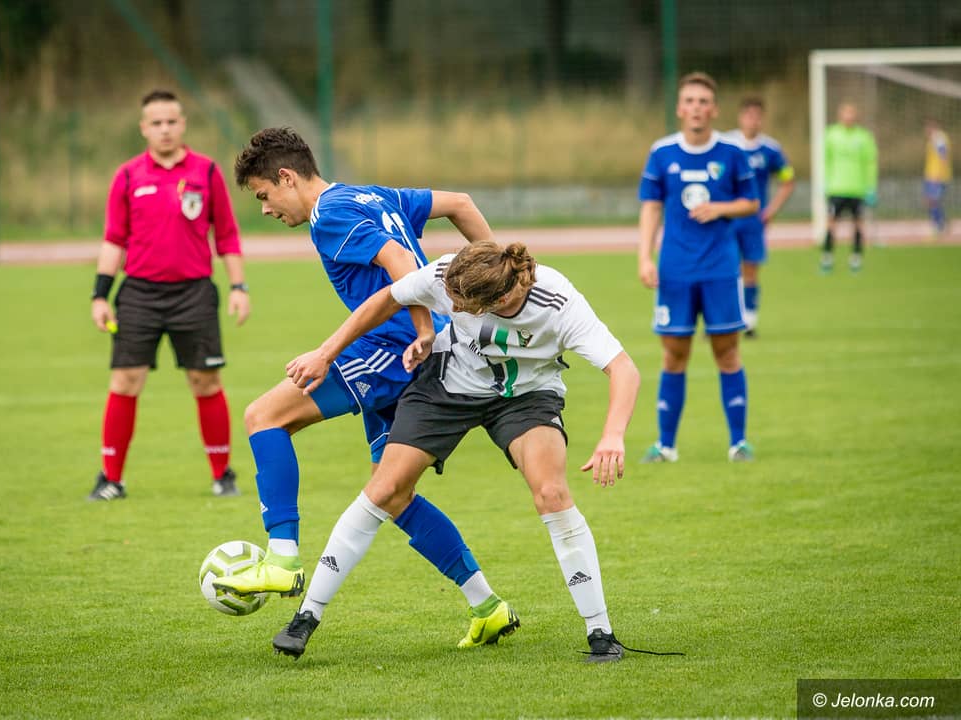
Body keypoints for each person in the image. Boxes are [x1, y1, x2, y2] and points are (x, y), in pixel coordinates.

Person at [258, 241, 640, 662]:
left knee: (551, 493)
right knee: (385, 489)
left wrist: (612, 436)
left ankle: (600, 632)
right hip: (445, 385)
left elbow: (622, 368)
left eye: (461, 305)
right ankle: (306, 617)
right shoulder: (448, 273)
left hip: (526, 397)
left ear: (498, 301)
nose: (451, 306)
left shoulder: (559, 303)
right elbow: (387, 298)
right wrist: (325, 353)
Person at [214, 128, 521, 645]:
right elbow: (461, 204)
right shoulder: (371, 195)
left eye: (264, 195)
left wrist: (422, 329)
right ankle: (488, 607)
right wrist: (500, 277)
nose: (265, 209)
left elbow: (400, 264)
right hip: (421, 353)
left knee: (264, 416)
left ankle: (282, 558)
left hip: (394, 350)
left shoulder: (329, 214)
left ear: (287, 177)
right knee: (394, 494)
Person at [87, 90, 251, 500]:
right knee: (125, 381)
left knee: (205, 381)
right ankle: (111, 479)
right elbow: (113, 240)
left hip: (194, 294)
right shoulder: (128, 176)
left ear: (183, 124)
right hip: (139, 295)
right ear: (144, 128)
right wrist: (100, 296)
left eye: (171, 121)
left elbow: (227, 235)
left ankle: (222, 475)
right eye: (156, 123)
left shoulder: (206, 172)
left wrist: (238, 287)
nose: (164, 129)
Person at [637, 72, 759, 463]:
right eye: (689, 101)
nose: (696, 108)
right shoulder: (662, 153)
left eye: (703, 102)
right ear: (679, 108)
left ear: (714, 109)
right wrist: (644, 257)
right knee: (674, 355)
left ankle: (738, 442)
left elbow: (751, 202)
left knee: (728, 352)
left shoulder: (732, 152)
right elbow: (651, 207)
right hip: (675, 270)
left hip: (720, 269)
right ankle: (666, 446)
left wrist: (720, 208)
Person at [726, 97, 795, 337]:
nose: (753, 121)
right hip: (727, 219)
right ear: (740, 117)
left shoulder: (770, 149)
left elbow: (788, 180)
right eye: (749, 115)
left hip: (754, 220)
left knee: (751, 269)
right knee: (725, 269)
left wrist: (772, 210)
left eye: (757, 116)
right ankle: (725, 320)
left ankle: (750, 322)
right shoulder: (727, 145)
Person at [822, 102, 878, 272]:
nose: (848, 117)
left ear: (855, 116)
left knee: (858, 224)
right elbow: (825, 161)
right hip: (836, 188)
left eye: (851, 114)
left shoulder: (864, 137)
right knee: (831, 223)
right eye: (845, 113)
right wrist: (824, 182)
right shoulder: (831, 134)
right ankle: (827, 258)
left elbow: (870, 162)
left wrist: (871, 187)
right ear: (840, 115)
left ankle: (856, 258)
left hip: (857, 189)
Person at [923, 118, 951, 239]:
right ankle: (941, 223)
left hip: (936, 176)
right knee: (930, 201)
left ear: (932, 127)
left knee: (933, 200)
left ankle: (939, 226)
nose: (925, 131)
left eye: (927, 128)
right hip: (931, 176)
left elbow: (943, 155)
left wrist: (939, 174)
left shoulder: (939, 138)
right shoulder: (933, 139)